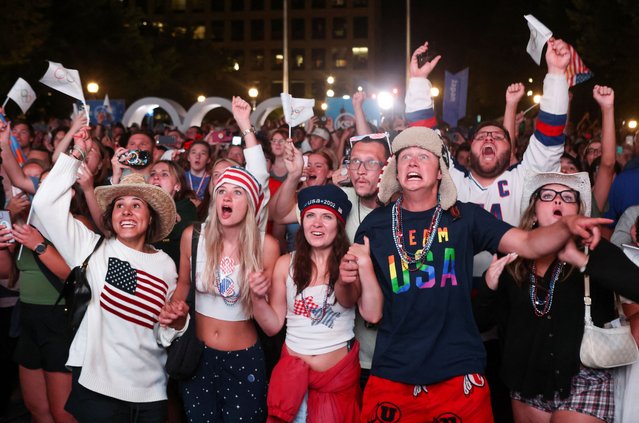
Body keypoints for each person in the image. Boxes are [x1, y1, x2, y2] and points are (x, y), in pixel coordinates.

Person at [341, 126, 610, 421]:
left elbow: (529, 243)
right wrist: (350, 275)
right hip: (394, 369)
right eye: (405, 157)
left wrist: (566, 227)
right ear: (395, 170)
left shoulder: (465, 217)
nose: (413, 163)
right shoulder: (375, 226)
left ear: (441, 171)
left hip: (459, 368)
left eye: (423, 156)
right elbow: (365, 309)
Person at [30, 126, 189, 422]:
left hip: (152, 394)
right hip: (99, 392)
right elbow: (43, 204)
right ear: (111, 216)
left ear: (150, 216)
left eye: (136, 205)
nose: (126, 212)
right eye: (119, 205)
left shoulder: (166, 264)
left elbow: (163, 332)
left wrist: (177, 321)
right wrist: (77, 153)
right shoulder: (91, 248)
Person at [474, 171, 639, 422]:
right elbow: (481, 323)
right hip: (526, 381)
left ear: (579, 212)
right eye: (548, 195)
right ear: (534, 210)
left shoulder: (594, 248)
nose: (558, 201)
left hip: (585, 379)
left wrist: (583, 261)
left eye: (568, 197)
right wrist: (488, 285)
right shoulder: (513, 259)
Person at [253, 184, 379, 422]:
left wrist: (352, 274)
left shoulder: (350, 262)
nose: (317, 223)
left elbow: (356, 303)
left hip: (336, 384)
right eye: (310, 215)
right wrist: (257, 298)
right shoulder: (284, 264)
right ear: (302, 222)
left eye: (327, 216)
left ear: (338, 225)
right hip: (291, 385)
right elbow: (273, 326)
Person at [171, 165, 279, 423]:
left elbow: (272, 326)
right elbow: (184, 286)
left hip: (244, 359)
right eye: (221, 191)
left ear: (251, 203)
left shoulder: (266, 246)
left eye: (237, 192)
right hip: (199, 357)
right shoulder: (193, 236)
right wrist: (172, 310)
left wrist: (259, 296)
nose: (227, 198)